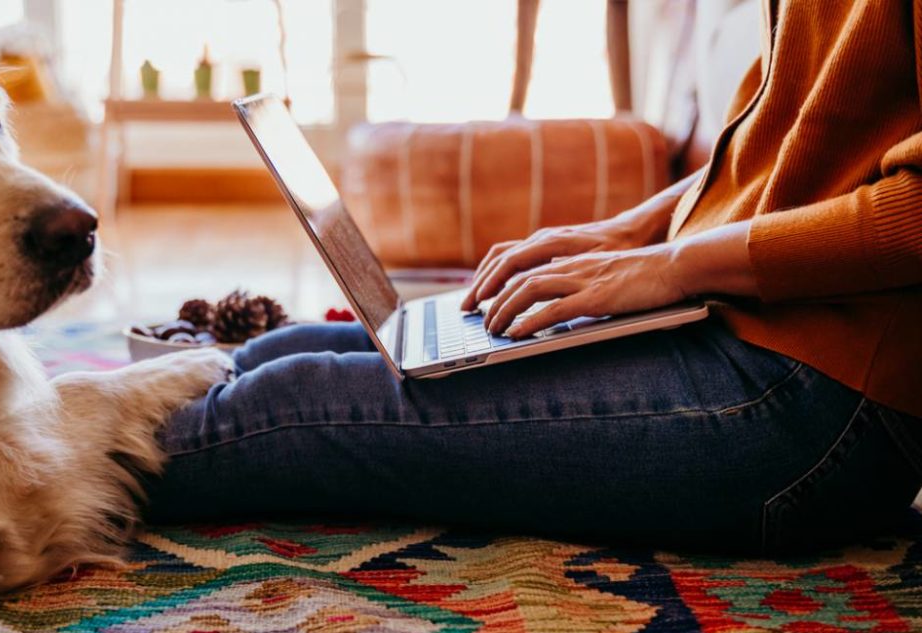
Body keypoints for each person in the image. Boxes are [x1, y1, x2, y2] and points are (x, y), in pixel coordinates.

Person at [147, 0, 922, 553]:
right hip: (738, 327)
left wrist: (672, 265)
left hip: (821, 407)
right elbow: (775, 154)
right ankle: (71, 420)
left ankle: (30, 485)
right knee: (281, 351)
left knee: (296, 402)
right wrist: (620, 232)